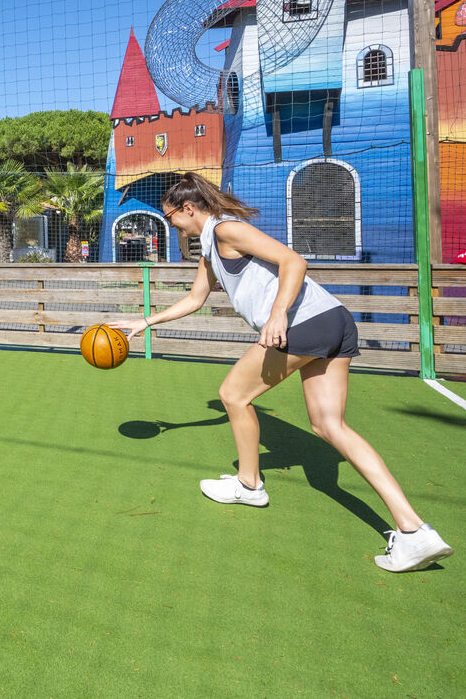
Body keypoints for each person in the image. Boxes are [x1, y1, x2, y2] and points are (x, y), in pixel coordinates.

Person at [112, 173, 452, 573]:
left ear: (188, 209)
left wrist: (277, 316)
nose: (172, 225)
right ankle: (415, 532)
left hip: (301, 323)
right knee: (330, 426)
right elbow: (194, 298)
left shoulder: (227, 229)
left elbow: (294, 261)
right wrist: (146, 323)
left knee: (234, 395)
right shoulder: (208, 249)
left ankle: (249, 485)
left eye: (172, 218)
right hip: (334, 320)